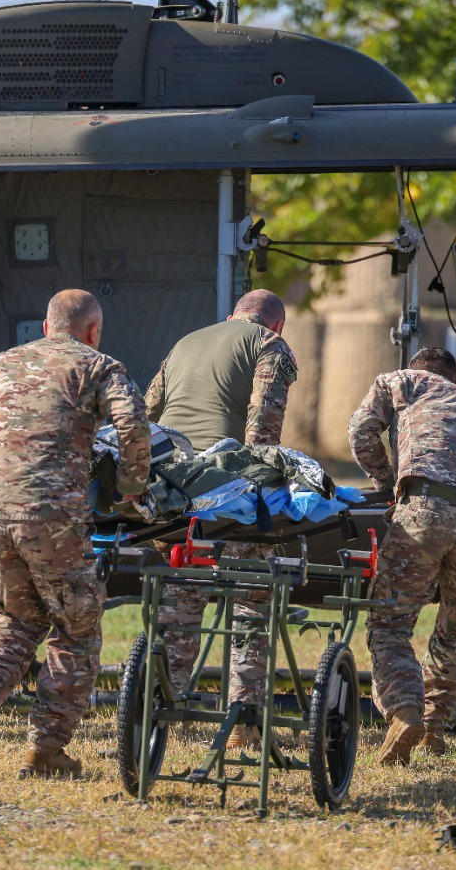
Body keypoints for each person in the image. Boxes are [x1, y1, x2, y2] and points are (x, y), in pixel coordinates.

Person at [0, 289, 151, 778]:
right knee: (76, 628)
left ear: (46, 327)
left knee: (19, 614)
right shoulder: (100, 366)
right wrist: (131, 493)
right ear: (93, 332)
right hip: (52, 515)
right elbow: (134, 426)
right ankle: (45, 750)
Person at [142, 289, 297, 750]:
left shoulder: (186, 342)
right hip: (222, 492)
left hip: (170, 490)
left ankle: (156, 713)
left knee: (181, 598)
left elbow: (147, 414)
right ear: (277, 326)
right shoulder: (268, 346)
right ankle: (244, 724)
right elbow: (262, 428)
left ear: (231, 316)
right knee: (252, 599)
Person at [348, 346, 456, 764]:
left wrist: (388, 481)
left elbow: (361, 433)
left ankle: (405, 714)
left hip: (424, 509)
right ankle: (435, 728)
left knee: (390, 622)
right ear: (455, 381)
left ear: (414, 370)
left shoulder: (398, 381)